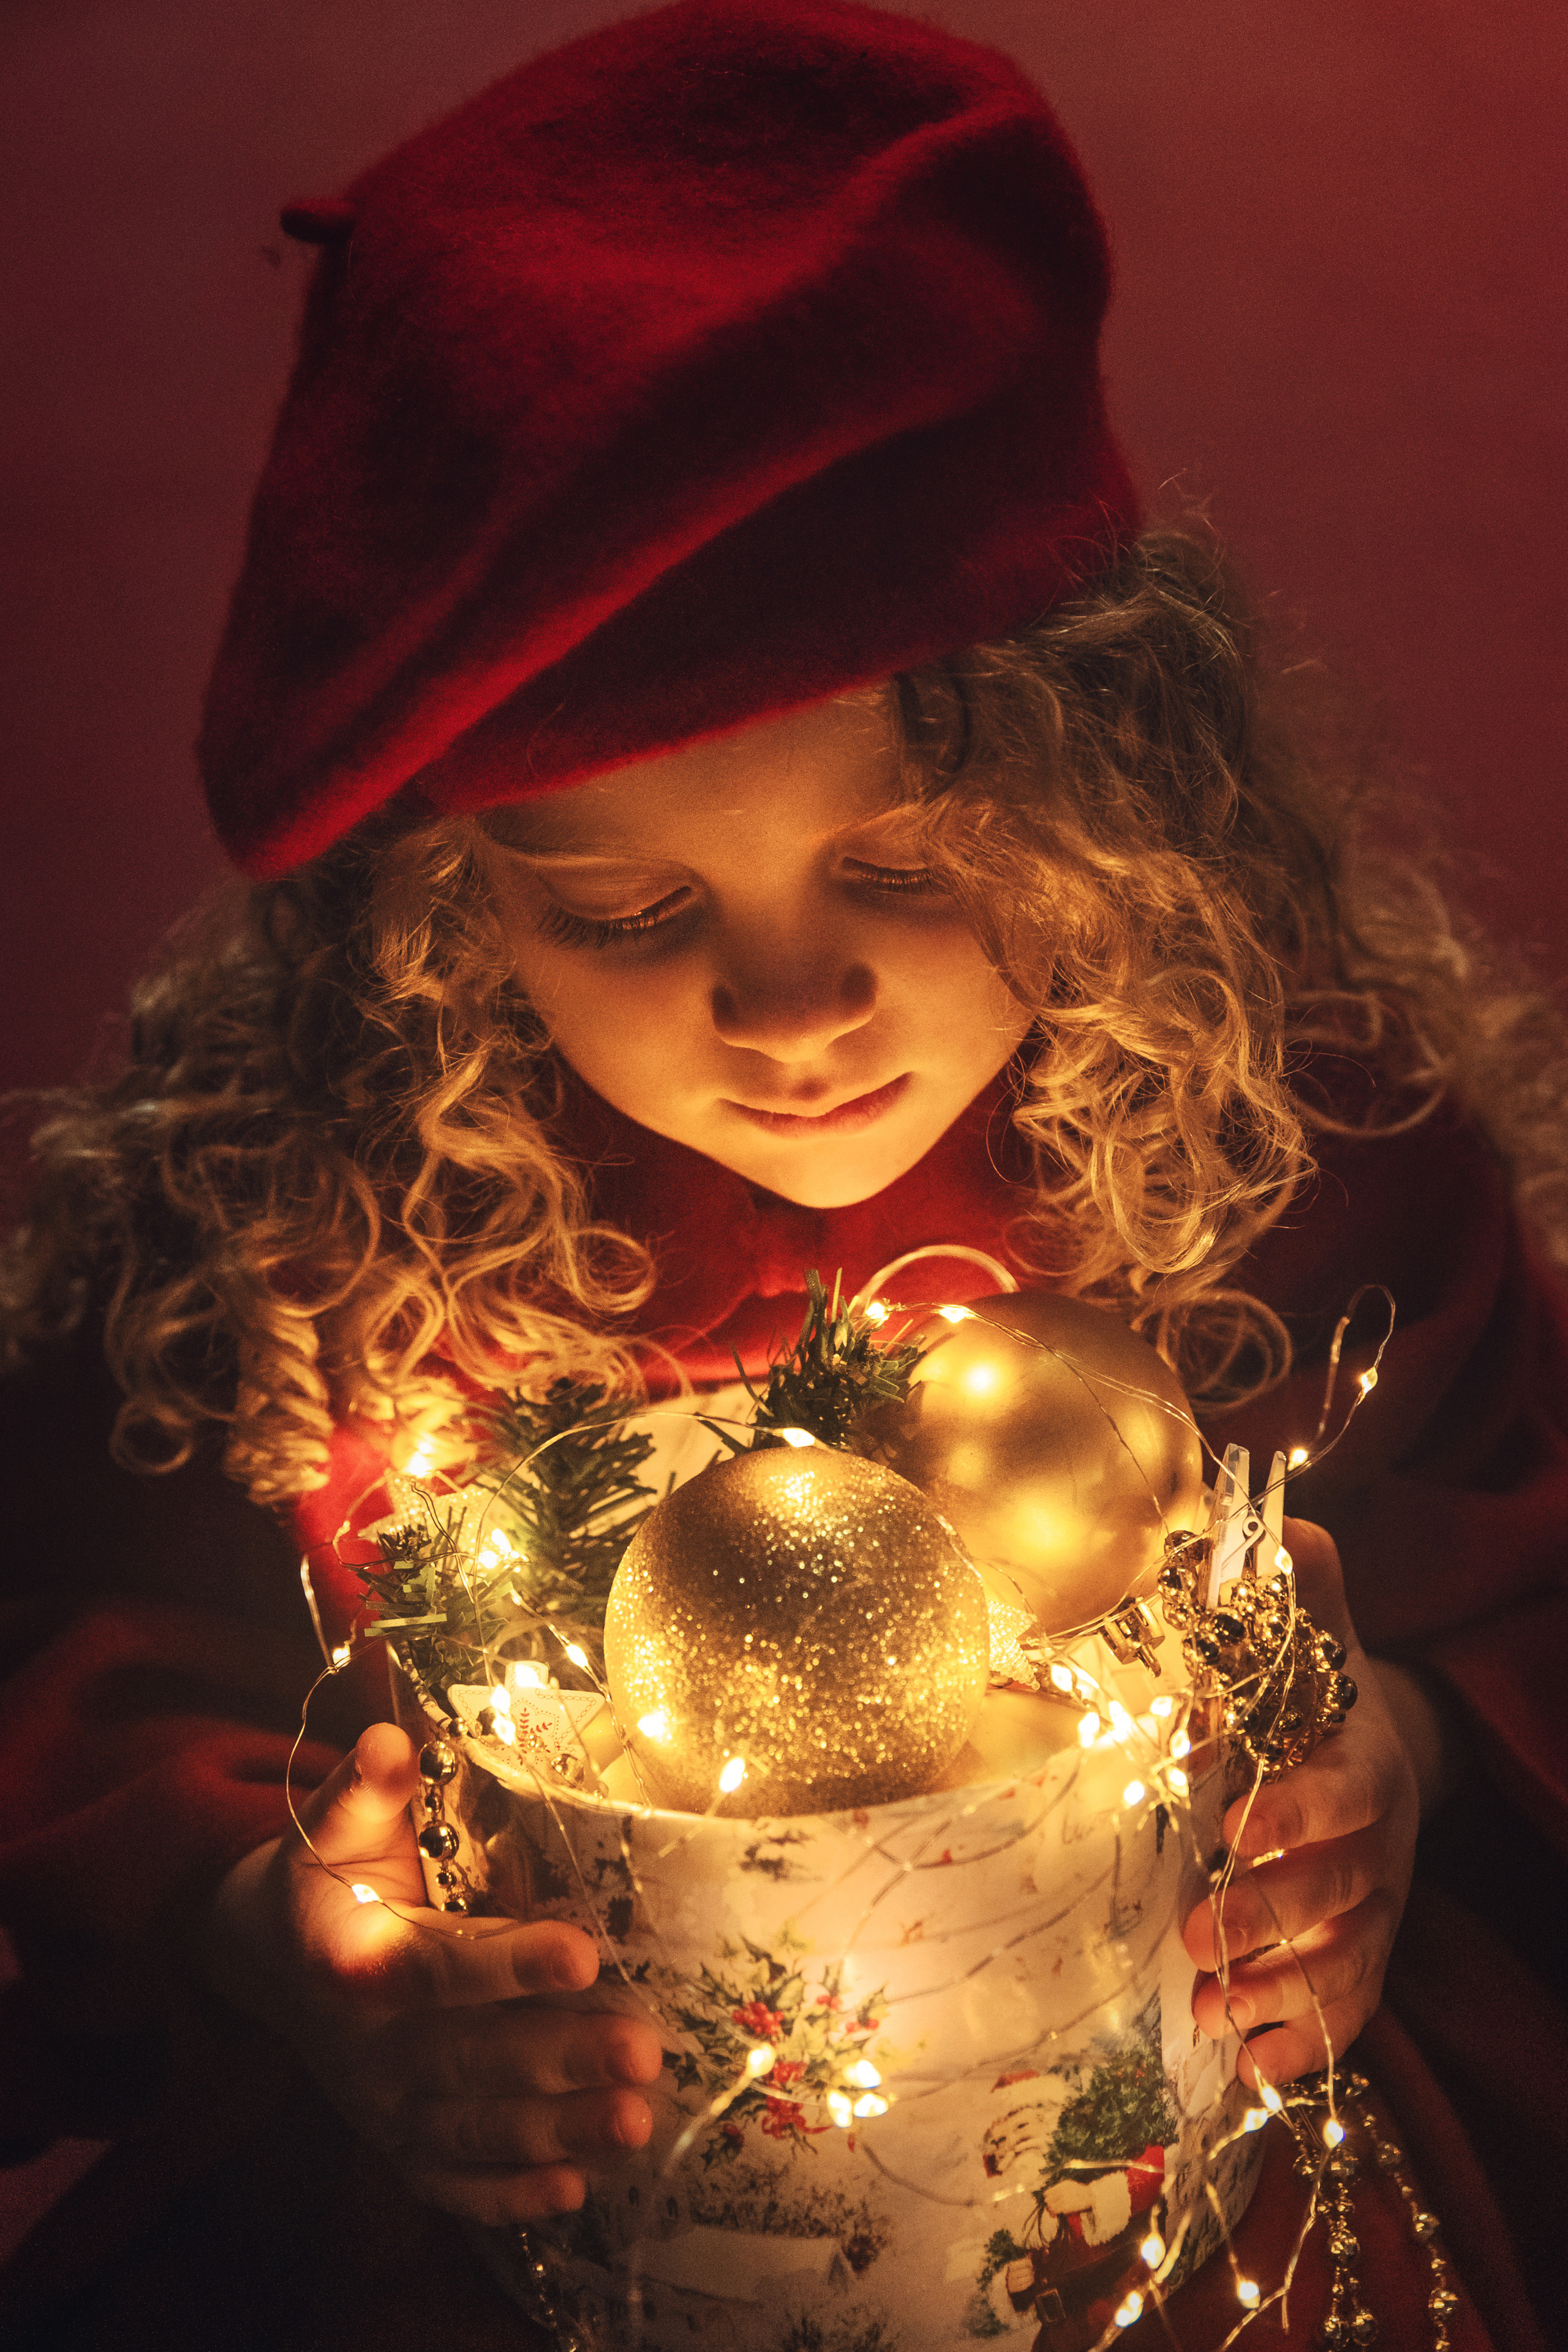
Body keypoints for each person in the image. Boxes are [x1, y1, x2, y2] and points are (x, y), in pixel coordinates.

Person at [1, 5, 1563, 2348]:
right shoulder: (309, 1214)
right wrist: (280, 1932)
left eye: (912, 865)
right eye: (626, 914)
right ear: (440, 910)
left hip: (1209, 2200)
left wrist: (1392, 1765)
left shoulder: (1286, 1132)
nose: (790, 1006)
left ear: (1110, 791)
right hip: (504, 2217)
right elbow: (75, 1668)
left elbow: (1514, 1557)